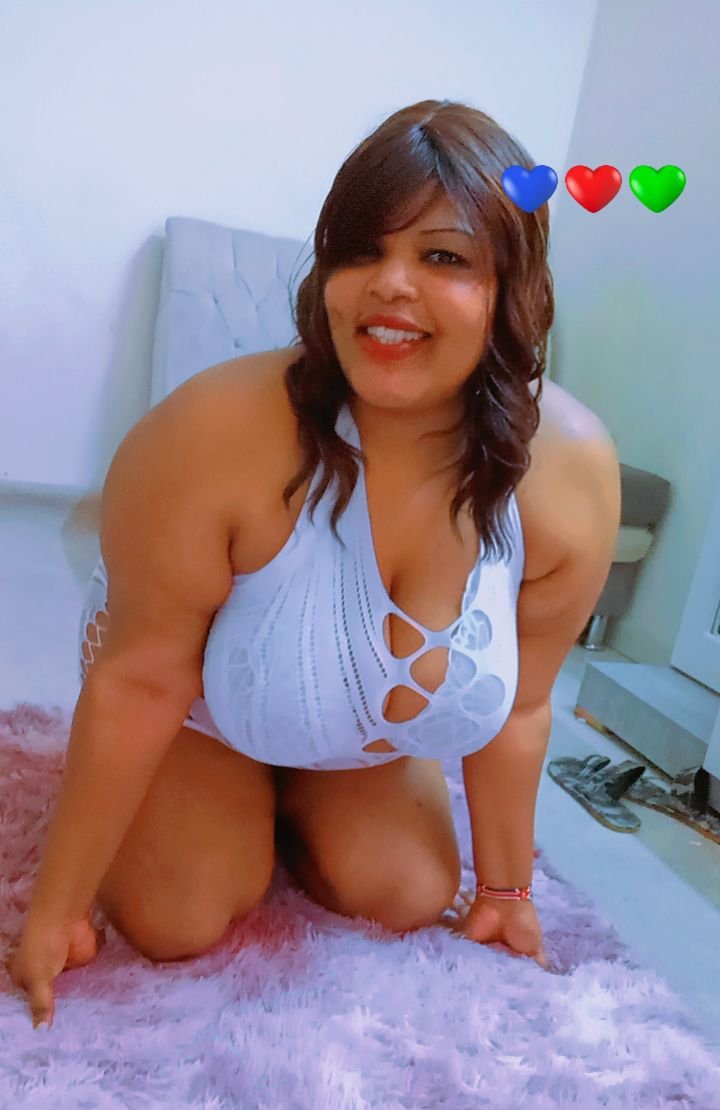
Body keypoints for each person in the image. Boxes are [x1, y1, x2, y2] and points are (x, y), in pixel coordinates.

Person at [8, 99, 620, 1027]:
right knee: (178, 914)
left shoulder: (569, 470)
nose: (390, 286)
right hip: (197, 707)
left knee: (411, 891)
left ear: (516, 286)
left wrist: (506, 893)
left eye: (443, 258)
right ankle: (236, 784)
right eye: (361, 250)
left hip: (354, 726)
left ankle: (302, 779)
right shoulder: (211, 433)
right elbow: (140, 679)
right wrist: (54, 908)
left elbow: (525, 705)